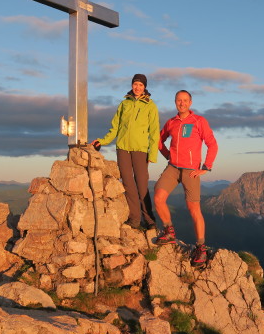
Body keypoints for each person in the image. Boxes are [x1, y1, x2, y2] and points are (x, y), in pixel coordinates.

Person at [154, 90, 218, 268]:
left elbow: (212, 144)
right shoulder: (171, 122)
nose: (181, 103)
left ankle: (201, 248)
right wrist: (168, 155)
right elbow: (159, 140)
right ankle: (169, 231)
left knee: (193, 209)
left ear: (190, 102)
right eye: (178, 100)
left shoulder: (199, 121)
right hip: (173, 168)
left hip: (191, 171)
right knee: (158, 198)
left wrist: (206, 167)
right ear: (175, 102)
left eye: (184, 100)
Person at [92, 74, 159, 229]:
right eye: (135, 84)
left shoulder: (150, 105)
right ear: (131, 85)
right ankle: (135, 219)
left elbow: (154, 131)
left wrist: (152, 154)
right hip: (122, 148)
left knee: (142, 184)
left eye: (141, 85)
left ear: (145, 87)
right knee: (128, 184)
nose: (137, 87)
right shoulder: (124, 104)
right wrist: (103, 141)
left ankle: (149, 219)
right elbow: (115, 127)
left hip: (140, 149)